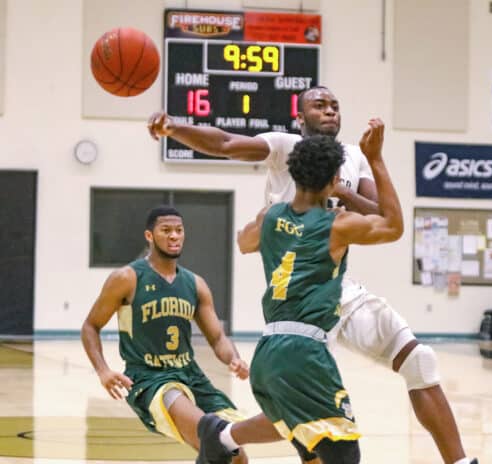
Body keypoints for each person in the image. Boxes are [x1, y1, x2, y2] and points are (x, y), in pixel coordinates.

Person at [148, 86, 473, 464]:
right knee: (310, 420)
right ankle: (226, 435)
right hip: (296, 295)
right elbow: (224, 142)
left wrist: (341, 191)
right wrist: (174, 128)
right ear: (299, 117)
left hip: (336, 288)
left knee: (419, 360)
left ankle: (461, 462)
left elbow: (377, 212)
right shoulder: (283, 145)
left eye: (335, 105)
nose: (330, 110)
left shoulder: (354, 157)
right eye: (319, 105)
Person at [81, 206, 271, 464]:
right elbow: (91, 326)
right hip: (151, 380)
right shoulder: (127, 278)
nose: (174, 236)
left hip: (191, 376)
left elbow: (217, 337)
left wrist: (233, 359)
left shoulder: (195, 284)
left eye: (179, 230)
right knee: (214, 438)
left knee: (237, 457)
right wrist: (103, 370)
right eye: (166, 230)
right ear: (149, 236)